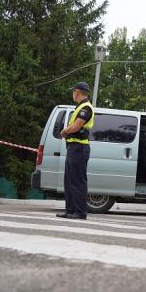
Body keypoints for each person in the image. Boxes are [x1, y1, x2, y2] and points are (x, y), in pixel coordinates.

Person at [57, 81, 95, 220]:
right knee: (69, 180)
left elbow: (77, 126)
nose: (73, 94)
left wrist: (65, 130)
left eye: (73, 92)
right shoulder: (80, 107)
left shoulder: (86, 108)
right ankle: (70, 210)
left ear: (77, 92)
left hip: (79, 147)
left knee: (78, 181)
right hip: (73, 147)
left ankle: (80, 212)